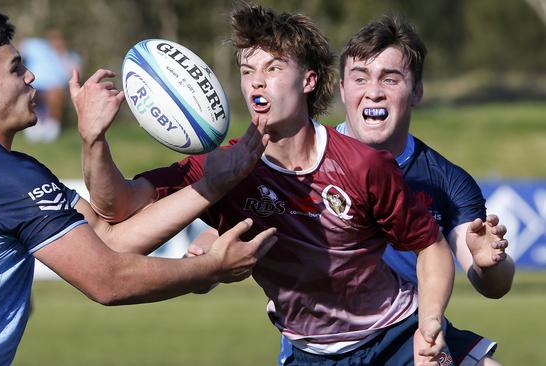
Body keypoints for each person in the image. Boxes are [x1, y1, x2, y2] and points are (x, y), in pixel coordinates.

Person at [79, 4, 465, 365]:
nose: (257, 84)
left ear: (309, 80)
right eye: (248, 72)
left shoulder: (363, 164)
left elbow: (430, 246)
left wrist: (430, 321)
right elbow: (118, 208)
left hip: (395, 335)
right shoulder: (220, 167)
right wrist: (93, 141)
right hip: (307, 351)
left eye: (274, 68)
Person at [0, 7, 277, 365]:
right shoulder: (2, 177)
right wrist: (214, 267)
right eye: (16, 69)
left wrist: (212, 185)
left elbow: (107, 239)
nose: (31, 76)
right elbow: (107, 281)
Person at [272, 15, 515, 366]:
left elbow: (494, 285)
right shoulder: (303, 159)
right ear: (342, 89)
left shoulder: (445, 180)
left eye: (391, 78)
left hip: (406, 336)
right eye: (361, 78)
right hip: (323, 348)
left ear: (416, 91)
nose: (374, 91)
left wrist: (489, 262)